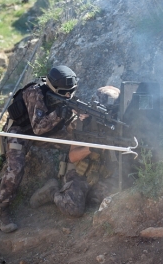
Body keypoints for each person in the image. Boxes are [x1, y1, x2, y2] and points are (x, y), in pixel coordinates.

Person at [0, 65, 78, 233]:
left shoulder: (65, 94)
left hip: (46, 131)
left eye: (72, 91)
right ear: (54, 87)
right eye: (64, 92)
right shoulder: (35, 92)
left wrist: (76, 117)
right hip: (20, 131)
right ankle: (1, 210)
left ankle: (65, 188)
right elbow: (38, 127)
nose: (68, 95)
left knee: (75, 144)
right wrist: (60, 114)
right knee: (15, 169)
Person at [29, 86, 119, 217]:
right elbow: (72, 156)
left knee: (117, 197)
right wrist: (93, 147)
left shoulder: (118, 126)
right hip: (79, 175)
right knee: (74, 208)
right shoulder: (81, 124)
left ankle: (81, 196)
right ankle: (52, 191)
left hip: (100, 177)